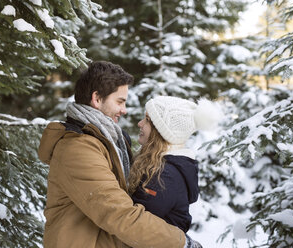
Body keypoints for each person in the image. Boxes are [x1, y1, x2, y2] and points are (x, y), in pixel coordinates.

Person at [38, 61, 186, 248]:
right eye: (120, 101)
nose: (124, 110)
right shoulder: (77, 148)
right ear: (97, 99)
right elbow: (118, 214)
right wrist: (180, 242)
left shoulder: (111, 141)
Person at [129, 96, 222, 248]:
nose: (140, 124)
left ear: (161, 131)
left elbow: (133, 225)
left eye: (147, 120)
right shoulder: (160, 166)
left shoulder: (165, 175)